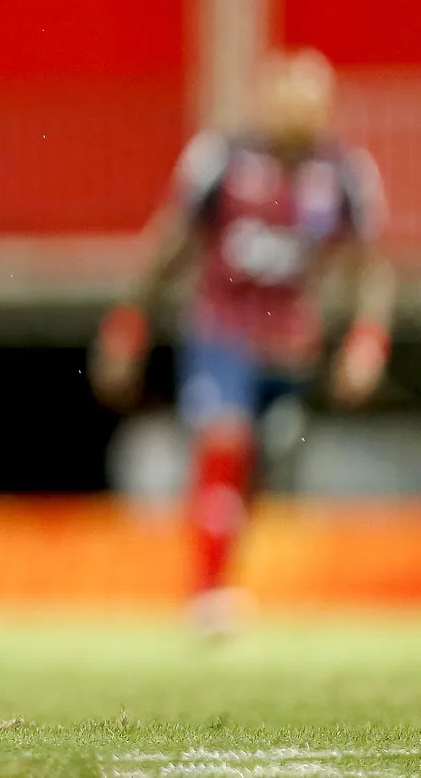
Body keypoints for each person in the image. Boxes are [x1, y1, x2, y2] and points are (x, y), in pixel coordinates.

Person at [92, 49, 392, 633]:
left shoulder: (347, 175)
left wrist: (366, 340)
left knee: (257, 464)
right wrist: (129, 323)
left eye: (312, 101)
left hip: (289, 346)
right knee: (224, 437)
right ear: (267, 100)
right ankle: (206, 591)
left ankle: (220, 568)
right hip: (220, 329)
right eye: (289, 98)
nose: (299, 112)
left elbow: (369, 268)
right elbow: (172, 244)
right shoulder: (221, 159)